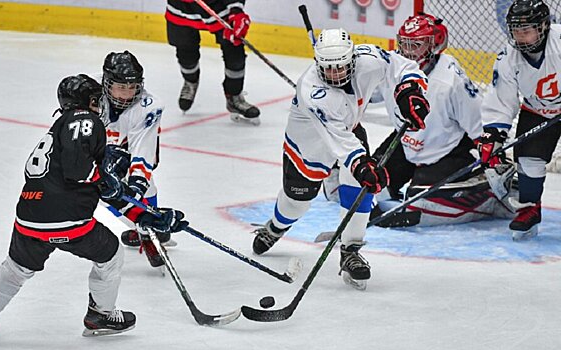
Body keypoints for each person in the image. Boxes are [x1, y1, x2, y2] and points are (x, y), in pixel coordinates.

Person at [0, 74, 137, 340]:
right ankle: (101, 314)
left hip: (29, 218)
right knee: (110, 254)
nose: (99, 105)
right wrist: (103, 179)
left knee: (15, 269)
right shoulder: (83, 119)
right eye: (95, 99)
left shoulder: (57, 129)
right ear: (85, 102)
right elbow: (78, 170)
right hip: (68, 218)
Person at [251, 29, 430, 290]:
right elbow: (337, 141)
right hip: (309, 142)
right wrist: (361, 164)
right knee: (296, 203)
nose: (335, 74)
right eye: (329, 68)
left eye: (340, 67)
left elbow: (399, 65)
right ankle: (275, 227)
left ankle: (351, 251)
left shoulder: (367, 58)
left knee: (361, 188)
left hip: (348, 128)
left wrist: (409, 90)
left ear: (353, 60)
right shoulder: (311, 89)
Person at [359, 13, 516, 227]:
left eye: (415, 46)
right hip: (407, 143)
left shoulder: (449, 81)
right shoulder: (391, 68)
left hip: (448, 151)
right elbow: (365, 94)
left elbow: (480, 126)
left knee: (418, 203)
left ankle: (483, 193)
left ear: (433, 46)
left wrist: (494, 162)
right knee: (370, 181)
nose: (407, 52)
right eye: (404, 44)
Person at [478, 0, 560, 240]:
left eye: (526, 30)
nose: (520, 37)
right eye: (516, 31)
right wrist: (493, 135)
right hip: (537, 110)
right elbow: (501, 100)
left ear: (543, 26)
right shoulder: (508, 57)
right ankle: (530, 209)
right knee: (529, 159)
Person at [99, 50, 188, 267]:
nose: (127, 94)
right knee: (102, 193)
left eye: (132, 87)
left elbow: (143, 151)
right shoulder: (90, 92)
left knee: (145, 188)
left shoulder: (148, 106)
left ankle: (146, 233)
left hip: (125, 152)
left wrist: (137, 185)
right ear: (107, 83)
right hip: (95, 152)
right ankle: (143, 229)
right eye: (121, 87)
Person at [165, 0, 261, 125]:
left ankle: (234, 96)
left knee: (234, 52)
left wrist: (236, 10)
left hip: (218, 5)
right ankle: (190, 81)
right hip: (181, 7)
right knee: (185, 52)